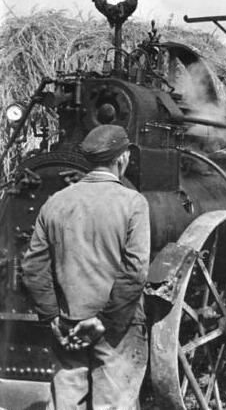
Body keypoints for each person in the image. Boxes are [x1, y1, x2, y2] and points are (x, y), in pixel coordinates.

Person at [22, 124, 150, 410]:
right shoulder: (133, 203)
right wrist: (103, 320)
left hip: (67, 322)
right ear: (123, 158)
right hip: (117, 327)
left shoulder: (55, 202)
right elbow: (135, 271)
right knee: (114, 404)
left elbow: (32, 268)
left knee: (65, 403)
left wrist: (51, 316)